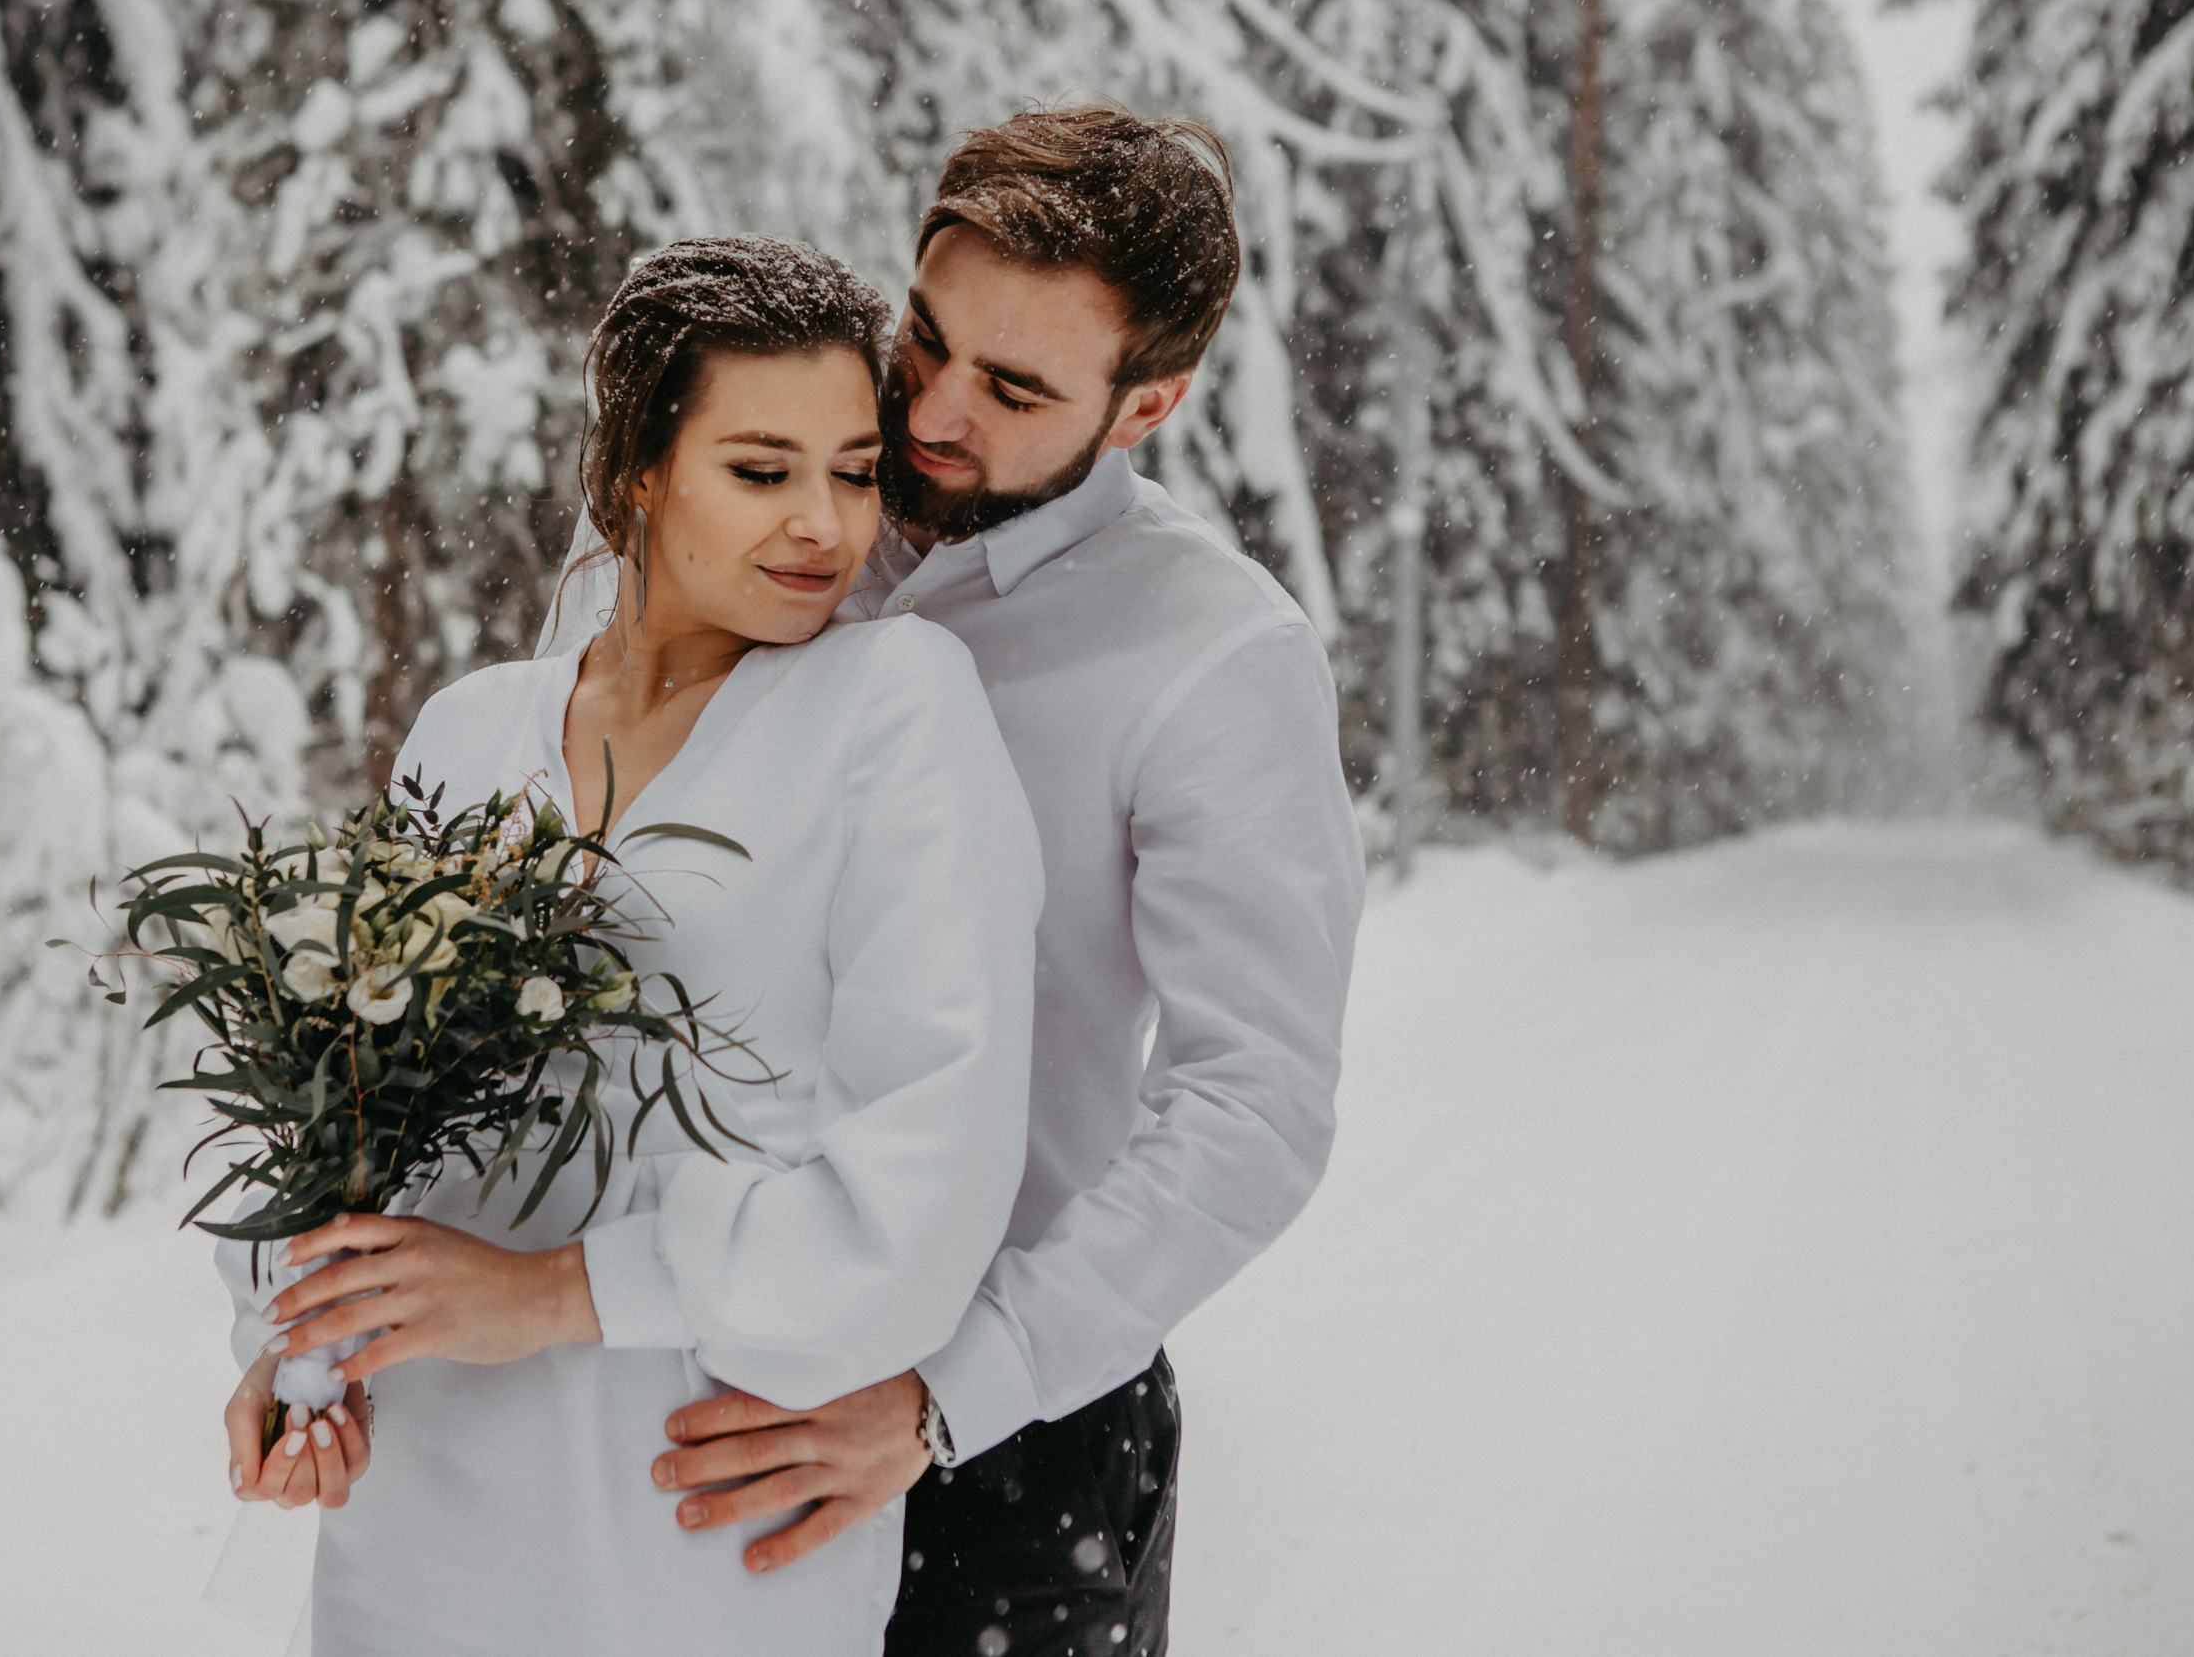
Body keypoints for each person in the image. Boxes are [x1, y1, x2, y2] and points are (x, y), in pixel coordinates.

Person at [542, 105, 1367, 1657]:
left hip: (1002, 1445)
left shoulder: (1214, 659)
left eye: (1014, 387)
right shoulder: (790, 532)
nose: (930, 409)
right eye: (926, 338)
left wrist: (947, 1399)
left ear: (1149, 405)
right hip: (677, 1381)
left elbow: (1253, 1105)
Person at [216, 236, 1044, 1657]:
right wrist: (295, 1357)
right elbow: (342, 1094)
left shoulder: (895, 705)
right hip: (427, 1494)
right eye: (762, 469)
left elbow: (926, 1174)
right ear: (642, 470)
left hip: (705, 1481)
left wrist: (553, 1290)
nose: (825, 529)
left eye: (856, 472)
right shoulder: (474, 726)